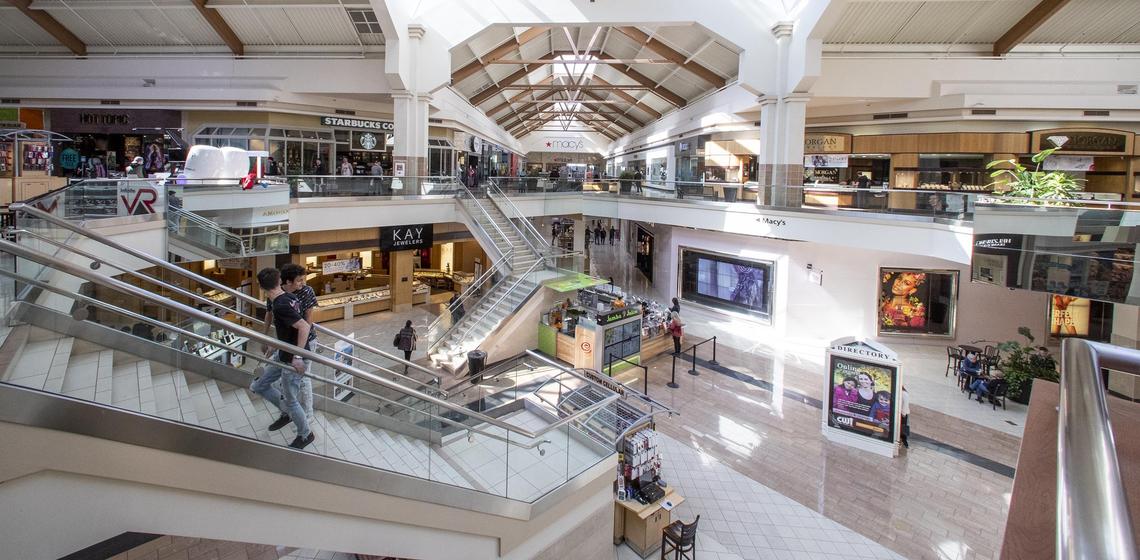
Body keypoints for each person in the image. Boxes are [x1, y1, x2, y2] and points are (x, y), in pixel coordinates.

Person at [251, 267, 315, 450]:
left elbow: (304, 327)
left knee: (291, 399)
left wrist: (298, 356)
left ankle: (305, 434)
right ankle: (286, 413)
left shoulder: (281, 305)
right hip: (283, 354)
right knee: (258, 385)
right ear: (279, 281)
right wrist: (276, 344)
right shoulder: (289, 298)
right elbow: (288, 330)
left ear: (261, 287)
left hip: (292, 359)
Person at [280, 263, 318, 426]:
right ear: (288, 281)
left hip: (307, 340)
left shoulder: (307, 291)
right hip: (286, 341)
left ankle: (308, 414)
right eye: (299, 280)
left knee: (304, 378)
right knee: (285, 377)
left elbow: (308, 319)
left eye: (303, 279)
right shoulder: (278, 293)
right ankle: (288, 411)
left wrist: (303, 346)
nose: (303, 283)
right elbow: (270, 313)